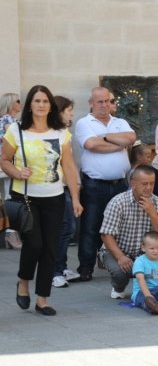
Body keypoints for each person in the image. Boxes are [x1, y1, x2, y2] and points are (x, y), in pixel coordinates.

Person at [1, 85, 83, 316]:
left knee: (50, 248)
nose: (41, 105)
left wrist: (75, 197)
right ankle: (23, 281)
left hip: (54, 198)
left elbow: (68, 166)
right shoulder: (16, 130)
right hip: (26, 197)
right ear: (30, 105)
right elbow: (4, 160)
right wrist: (17, 173)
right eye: (36, 101)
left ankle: (42, 299)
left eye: (45, 101)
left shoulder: (60, 133)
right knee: (34, 244)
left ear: (51, 106)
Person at [76, 87, 136, 282]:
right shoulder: (84, 123)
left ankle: (117, 263)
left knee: (120, 226)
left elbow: (131, 139)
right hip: (94, 186)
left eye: (107, 101)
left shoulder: (120, 122)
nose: (104, 105)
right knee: (90, 227)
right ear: (91, 102)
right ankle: (86, 267)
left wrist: (104, 137)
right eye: (99, 102)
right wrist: (118, 143)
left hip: (119, 185)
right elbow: (91, 145)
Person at [99, 165, 158, 299]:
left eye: (152, 183)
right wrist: (121, 257)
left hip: (145, 252)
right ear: (133, 184)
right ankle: (118, 286)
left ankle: (153, 285)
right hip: (119, 251)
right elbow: (106, 234)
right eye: (144, 184)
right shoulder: (118, 202)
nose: (149, 187)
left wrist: (152, 213)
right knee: (120, 272)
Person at [51, 96, 81, 288]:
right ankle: (55, 270)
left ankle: (60, 267)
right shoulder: (50, 132)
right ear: (59, 110)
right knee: (63, 228)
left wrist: (75, 184)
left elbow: (69, 164)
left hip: (63, 187)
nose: (71, 113)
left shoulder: (64, 132)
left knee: (67, 227)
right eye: (68, 109)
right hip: (52, 188)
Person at [0, 93, 23, 249]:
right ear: (11, 103)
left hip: (8, 160)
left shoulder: (10, 120)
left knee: (8, 195)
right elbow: (16, 137)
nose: (20, 104)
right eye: (18, 101)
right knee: (10, 196)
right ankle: (11, 232)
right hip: (8, 162)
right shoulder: (8, 120)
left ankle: (10, 231)